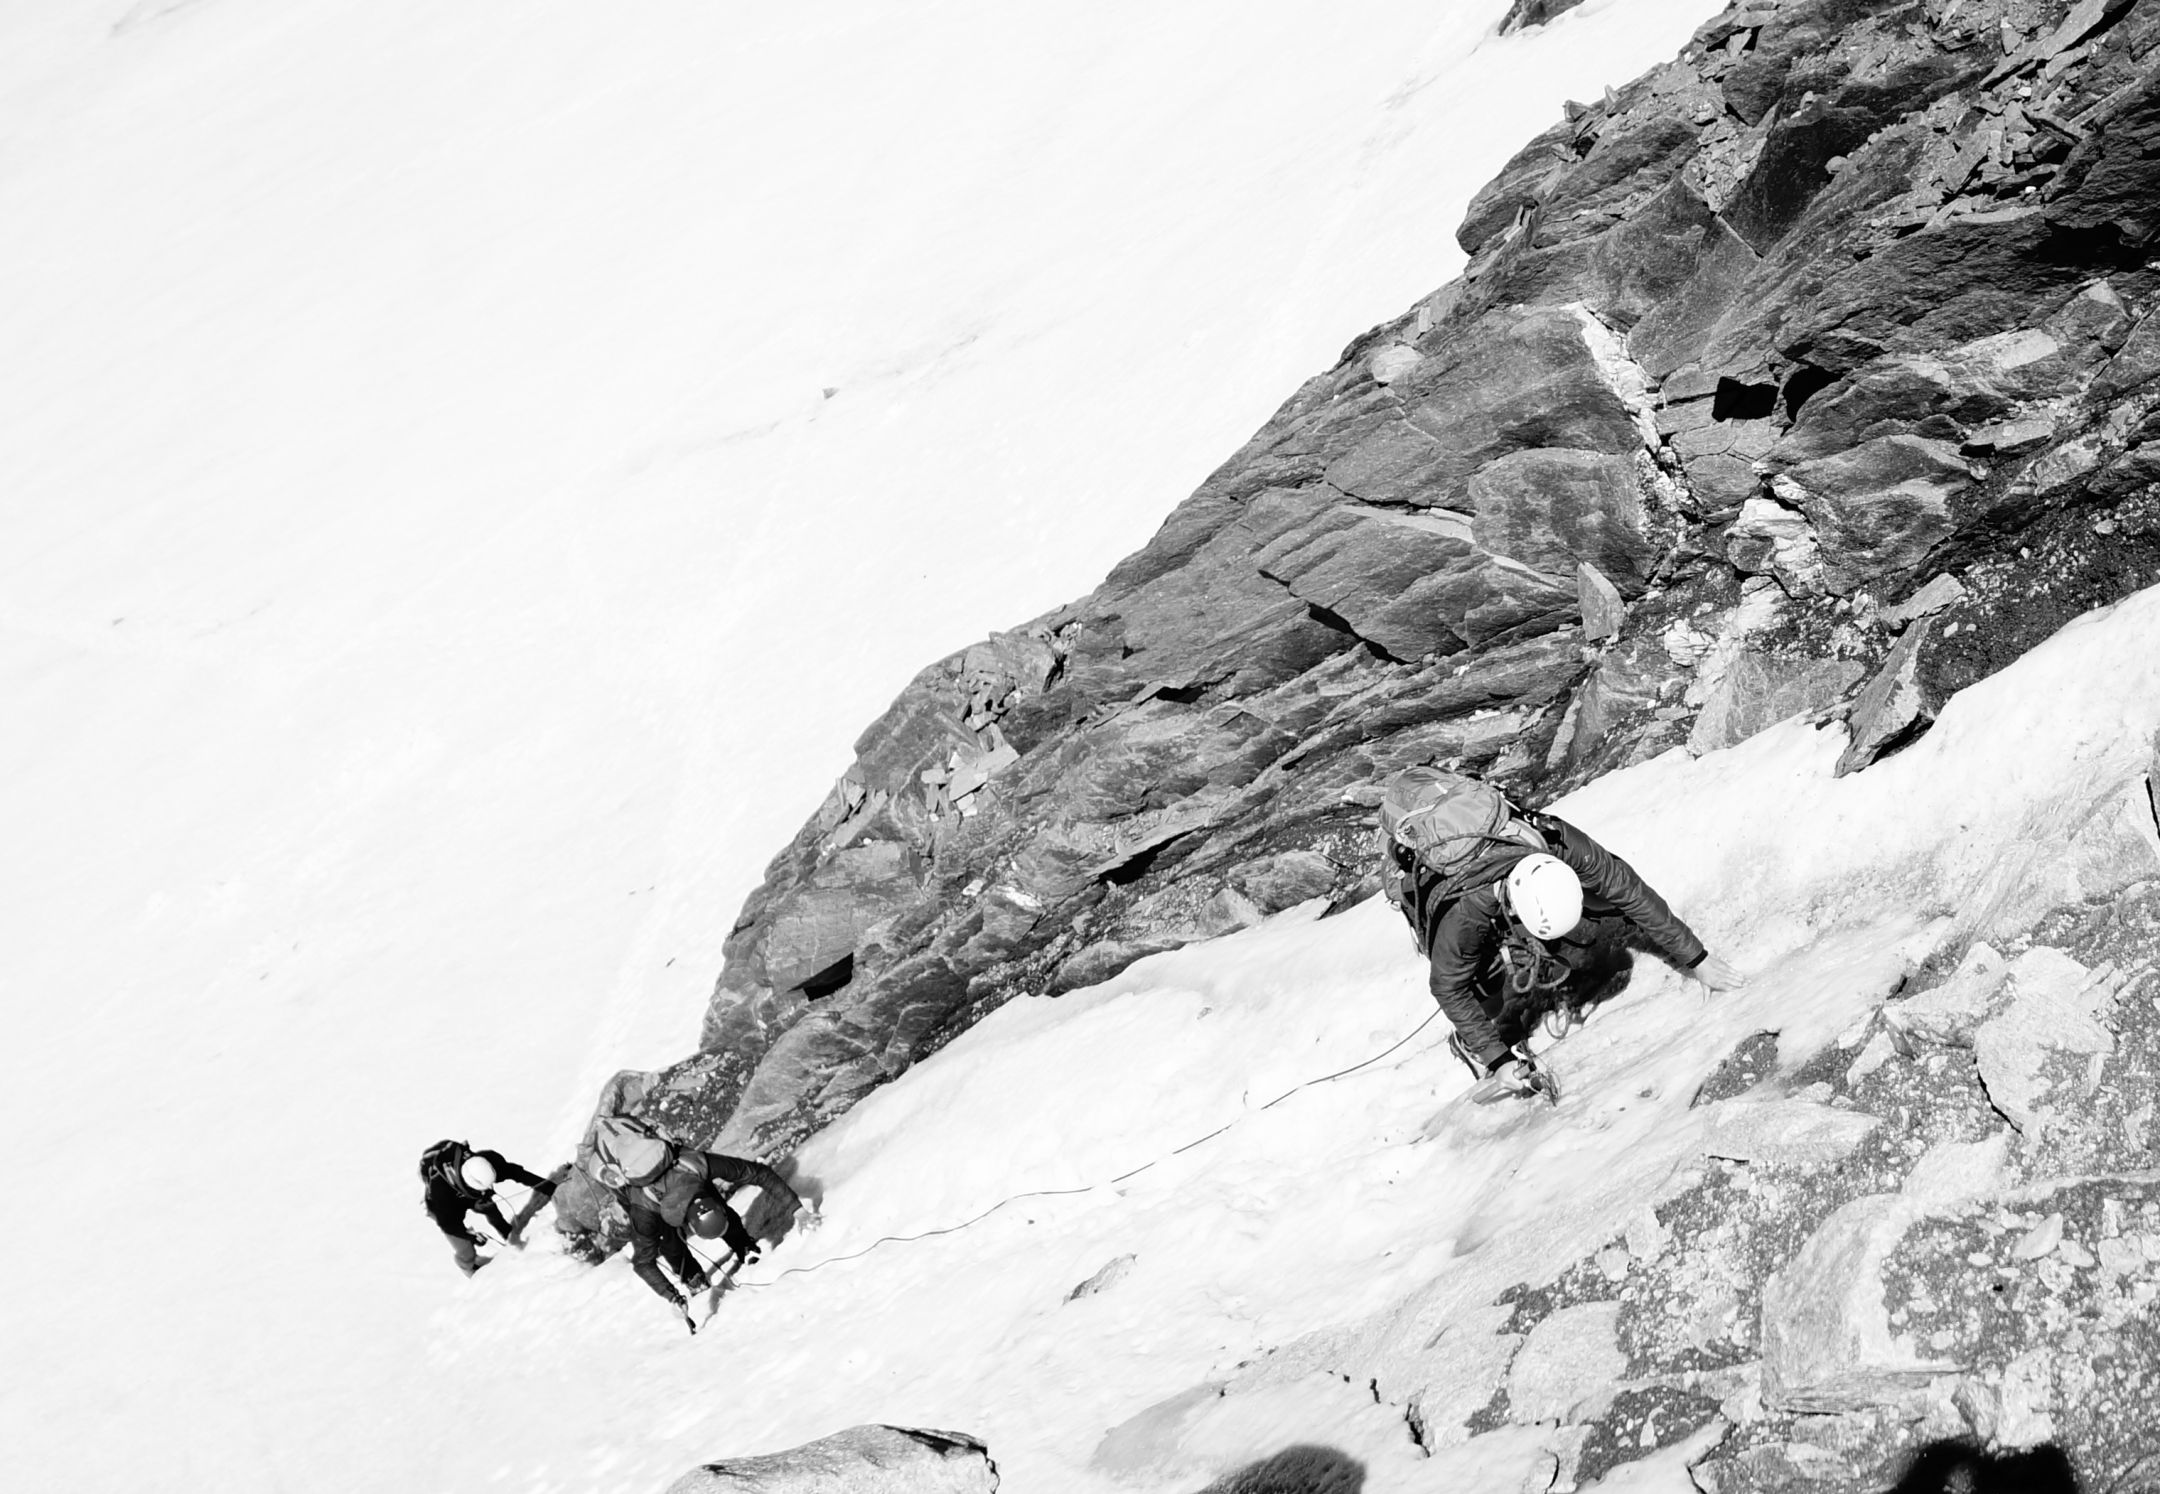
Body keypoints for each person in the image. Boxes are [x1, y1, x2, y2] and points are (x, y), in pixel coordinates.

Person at [1379, 767, 1745, 1102]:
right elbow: (1448, 986)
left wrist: (1697, 959)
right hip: (1459, 891)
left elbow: (1628, 889)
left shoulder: (1555, 839)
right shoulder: (1465, 914)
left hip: (1506, 880)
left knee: (1606, 898)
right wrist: (1498, 1060)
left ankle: (1555, 939)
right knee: (1484, 995)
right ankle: (1469, 1042)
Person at [609, 1134, 817, 1328]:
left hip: (680, 1176)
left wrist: (797, 1210)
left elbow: (758, 1173)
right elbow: (643, 1261)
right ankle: (693, 1276)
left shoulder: (698, 1164)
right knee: (668, 1241)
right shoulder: (644, 1211)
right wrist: (672, 1296)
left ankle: (743, 1246)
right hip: (637, 1179)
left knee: (715, 1213)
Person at [419, 1139, 567, 1276]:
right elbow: (448, 1225)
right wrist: (472, 1236)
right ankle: (470, 1269)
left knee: (489, 1207)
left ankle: (509, 1238)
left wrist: (551, 1188)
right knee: (465, 1251)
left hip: (468, 1194)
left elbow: (518, 1173)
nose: (488, 1190)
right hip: (447, 1208)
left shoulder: (489, 1162)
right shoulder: (441, 1194)